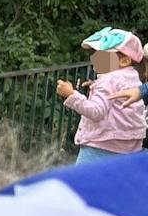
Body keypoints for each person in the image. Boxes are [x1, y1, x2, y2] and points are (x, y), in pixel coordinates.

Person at [57, 27, 146, 163]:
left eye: (101, 55)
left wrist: (71, 94)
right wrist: (96, 85)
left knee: (83, 182)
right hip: (129, 147)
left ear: (124, 61)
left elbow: (96, 112)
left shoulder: (107, 80)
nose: (94, 58)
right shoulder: (133, 77)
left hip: (101, 146)